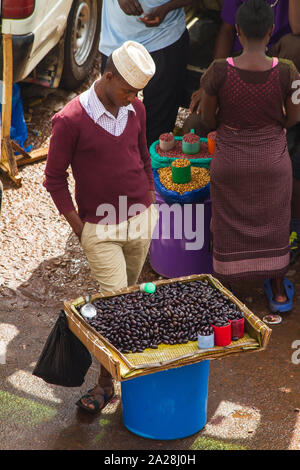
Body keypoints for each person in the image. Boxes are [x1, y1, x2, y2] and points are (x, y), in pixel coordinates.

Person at [43, 41, 158, 413]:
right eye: (127, 90)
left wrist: (151, 199)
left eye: (137, 93)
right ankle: (108, 383)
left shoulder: (136, 108)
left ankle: (113, 377)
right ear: (108, 77)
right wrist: (81, 229)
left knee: (124, 300)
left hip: (140, 219)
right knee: (116, 304)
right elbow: (54, 179)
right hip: (100, 229)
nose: (132, 98)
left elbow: (143, 155)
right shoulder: (70, 119)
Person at [199, 0, 300, 312]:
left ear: (238, 31)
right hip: (273, 161)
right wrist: (271, 129)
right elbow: (295, 117)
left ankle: (227, 285)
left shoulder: (217, 71)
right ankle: (276, 288)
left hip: (230, 161)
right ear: (271, 32)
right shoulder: (287, 70)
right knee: (275, 221)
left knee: (227, 222)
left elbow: (207, 120)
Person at [99, 0, 192, 147]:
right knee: (113, 123)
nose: (131, 98)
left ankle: (149, 166)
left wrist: (166, 8)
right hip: (117, 39)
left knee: (158, 129)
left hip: (165, 37)